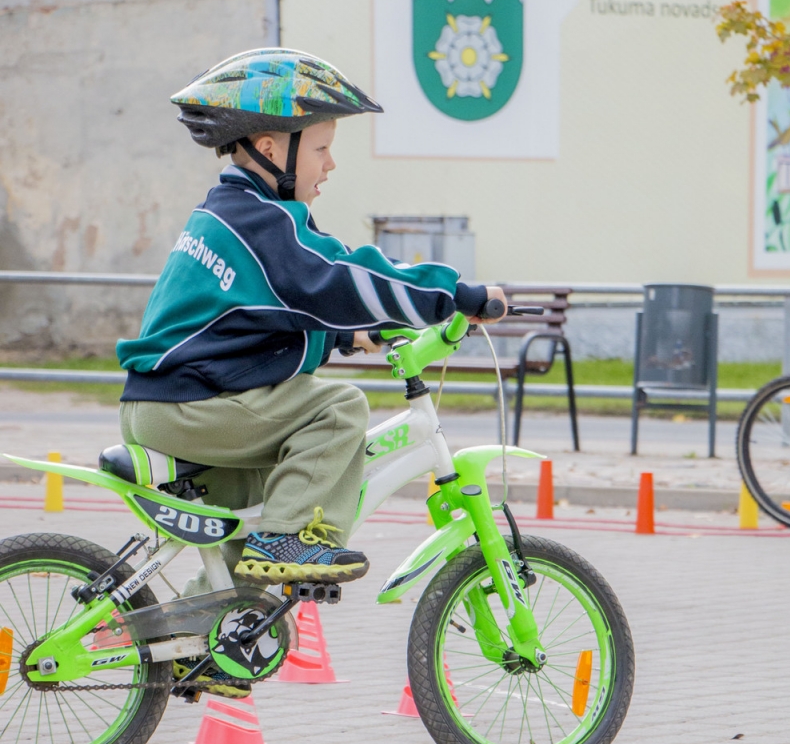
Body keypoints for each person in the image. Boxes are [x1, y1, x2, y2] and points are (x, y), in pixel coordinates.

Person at [117, 48, 505, 590]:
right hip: (188, 406)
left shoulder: (229, 216)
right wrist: (454, 294)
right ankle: (289, 539)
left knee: (274, 495)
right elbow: (338, 273)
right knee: (339, 410)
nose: (330, 164)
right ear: (272, 148)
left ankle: (204, 638)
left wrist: (347, 333)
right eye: (322, 147)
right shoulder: (261, 224)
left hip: (171, 401)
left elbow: (260, 318)